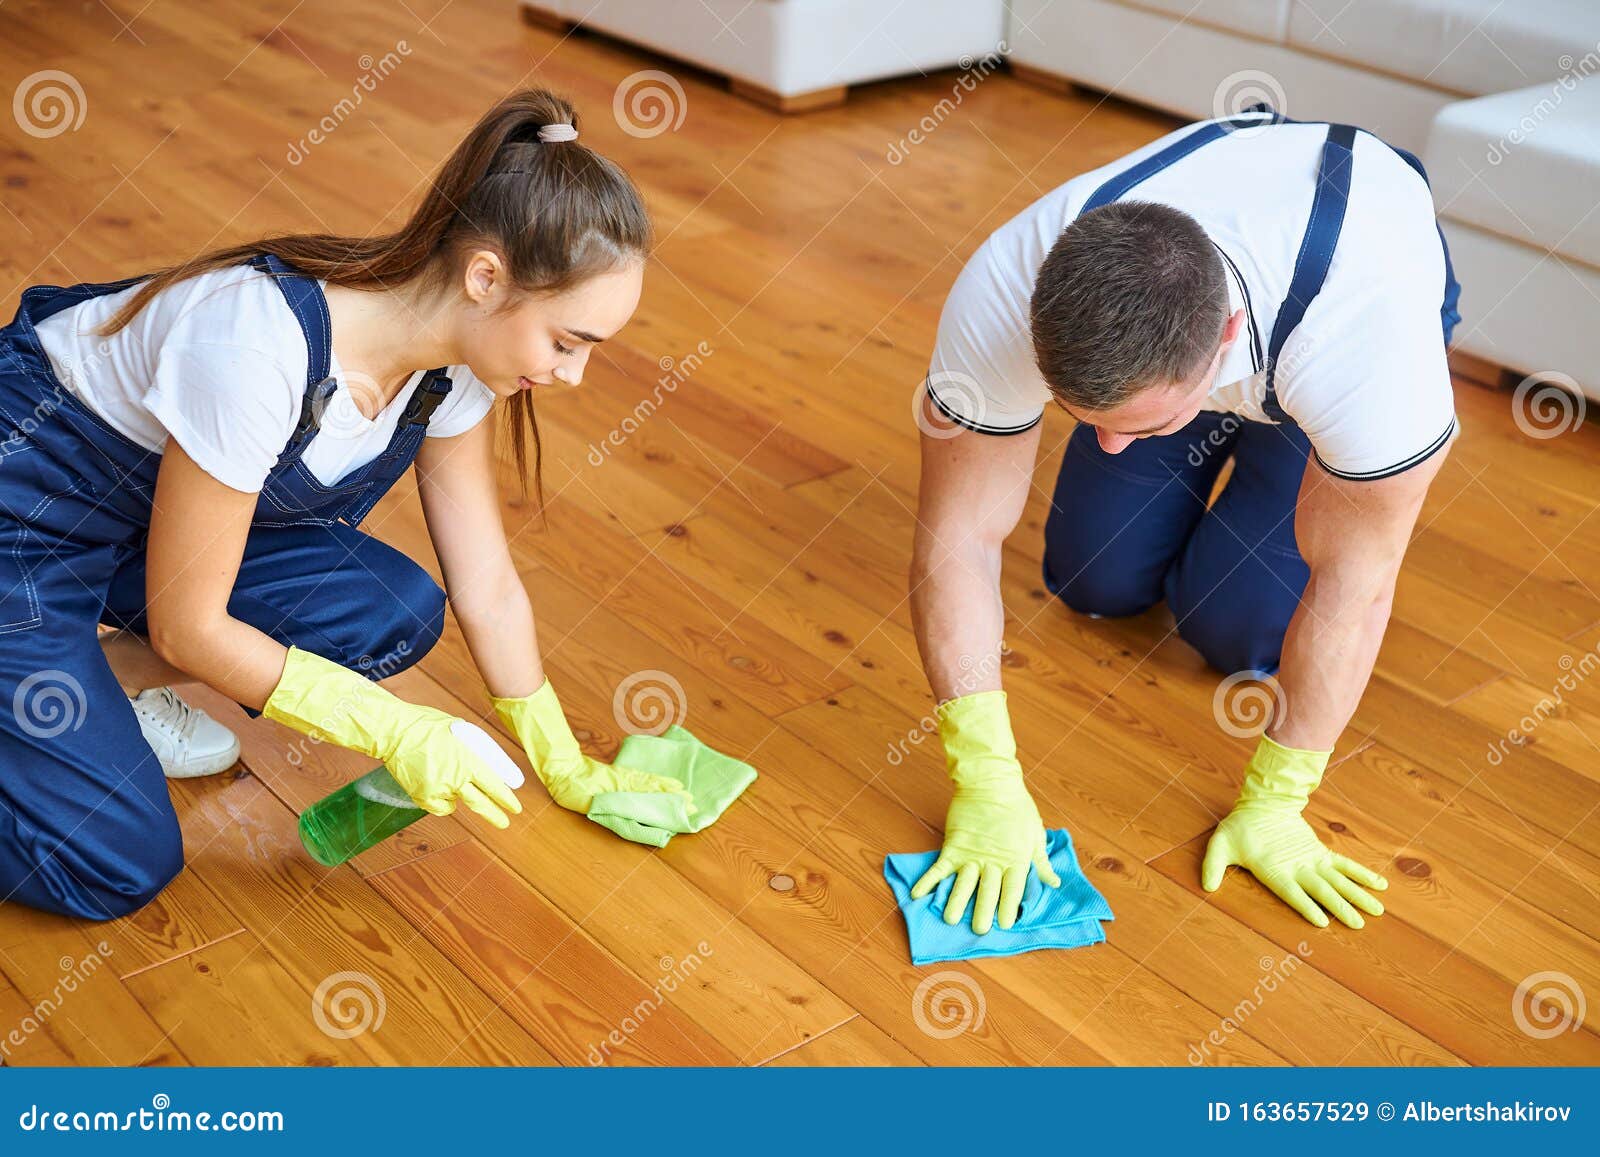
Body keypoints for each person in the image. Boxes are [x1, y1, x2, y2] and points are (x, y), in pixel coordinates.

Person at [0, 89, 691, 922]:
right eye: (567, 341)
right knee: (117, 861)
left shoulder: (452, 374)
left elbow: (487, 584)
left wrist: (561, 758)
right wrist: (390, 727)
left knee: (391, 608)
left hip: (149, 525)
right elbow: (188, 625)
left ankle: (93, 691)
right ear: (485, 277)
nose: (573, 376)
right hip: (29, 513)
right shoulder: (259, 343)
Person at [909, 106, 1460, 934]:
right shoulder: (1004, 285)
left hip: (1317, 341)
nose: (1107, 445)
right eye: (1081, 414)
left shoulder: (1372, 360)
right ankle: (1160, 419)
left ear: (1226, 340)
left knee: (1233, 631)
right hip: (1196, 344)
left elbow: (1359, 582)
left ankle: (1254, 438)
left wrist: (1278, 802)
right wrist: (984, 775)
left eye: (1138, 423)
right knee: (1091, 581)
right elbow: (958, 538)